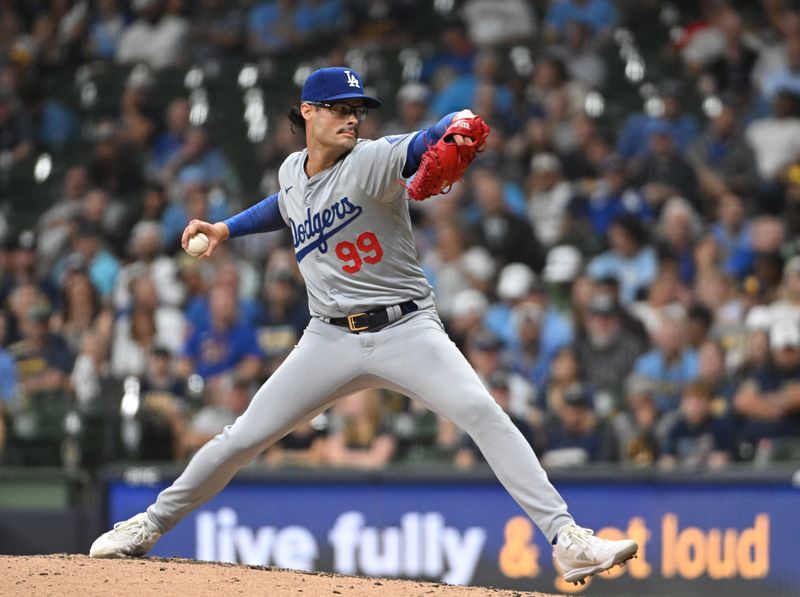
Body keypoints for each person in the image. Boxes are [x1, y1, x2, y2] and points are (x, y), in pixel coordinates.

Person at [89, 66, 637, 584]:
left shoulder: (371, 159)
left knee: (481, 412)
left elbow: (427, 139)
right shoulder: (290, 171)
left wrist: (457, 123)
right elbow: (285, 204)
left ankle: (566, 538)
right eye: (339, 108)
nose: (352, 118)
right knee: (242, 437)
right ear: (307, 112)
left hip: (406, 329)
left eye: (358, 110)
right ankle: (150, 524)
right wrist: (227, 229)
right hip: (327, 337)